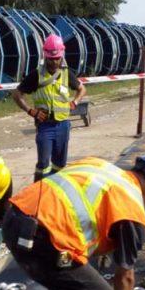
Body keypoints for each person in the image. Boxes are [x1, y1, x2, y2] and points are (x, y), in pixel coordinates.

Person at [2, 151, 145, 290]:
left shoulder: (97, 164)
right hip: (44, 239)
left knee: (68, 280)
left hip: (13, 218)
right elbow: (125, 277)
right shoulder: (133, 211)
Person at [12, 34, 86, 182]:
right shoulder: (36, 75)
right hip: (45, 127)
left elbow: (82, 89)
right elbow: (17, 94)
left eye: (57, 58)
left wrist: (75, 102)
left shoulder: (66, 74)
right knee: (43, 164)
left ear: (61, 56)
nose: (54, 62)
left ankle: (55, 195)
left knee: (60, 165)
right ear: (45, 56)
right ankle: (38, 195)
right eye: (51, 59)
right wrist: (31, 111)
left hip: (63, 125)